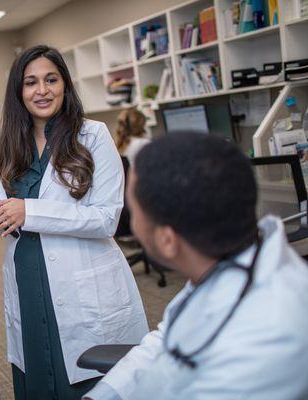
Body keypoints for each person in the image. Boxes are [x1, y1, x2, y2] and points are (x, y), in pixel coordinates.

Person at [0, 44, 148, 399]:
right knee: (39, 374)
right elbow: (4, 216)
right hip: (28, 281)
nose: (41, 90)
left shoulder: (93, 136)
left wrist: (31, 211)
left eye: (50, 79)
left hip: (81, 282)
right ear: (19, 92)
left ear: (65, 85)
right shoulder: (15, 144)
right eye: (30, 82)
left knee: (84, 377)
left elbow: (106, 219)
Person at [84, 133, 308, 400]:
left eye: (133, 211)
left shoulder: (265, 345)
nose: (131, 224)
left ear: (167, 240)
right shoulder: (223, 262)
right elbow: (168, 338)